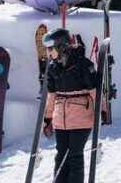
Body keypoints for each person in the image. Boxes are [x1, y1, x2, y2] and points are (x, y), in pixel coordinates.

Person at [42, 28, 98, 183]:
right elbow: (52, 95)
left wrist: (101, 112)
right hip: (61, 120)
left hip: (81, 118)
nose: (48, 53)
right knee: (61, 155)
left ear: (61, 46)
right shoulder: (53, 67)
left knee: (74, 155)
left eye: (51, 48)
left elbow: (95, 92)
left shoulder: (82, 65)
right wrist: (48, 119)